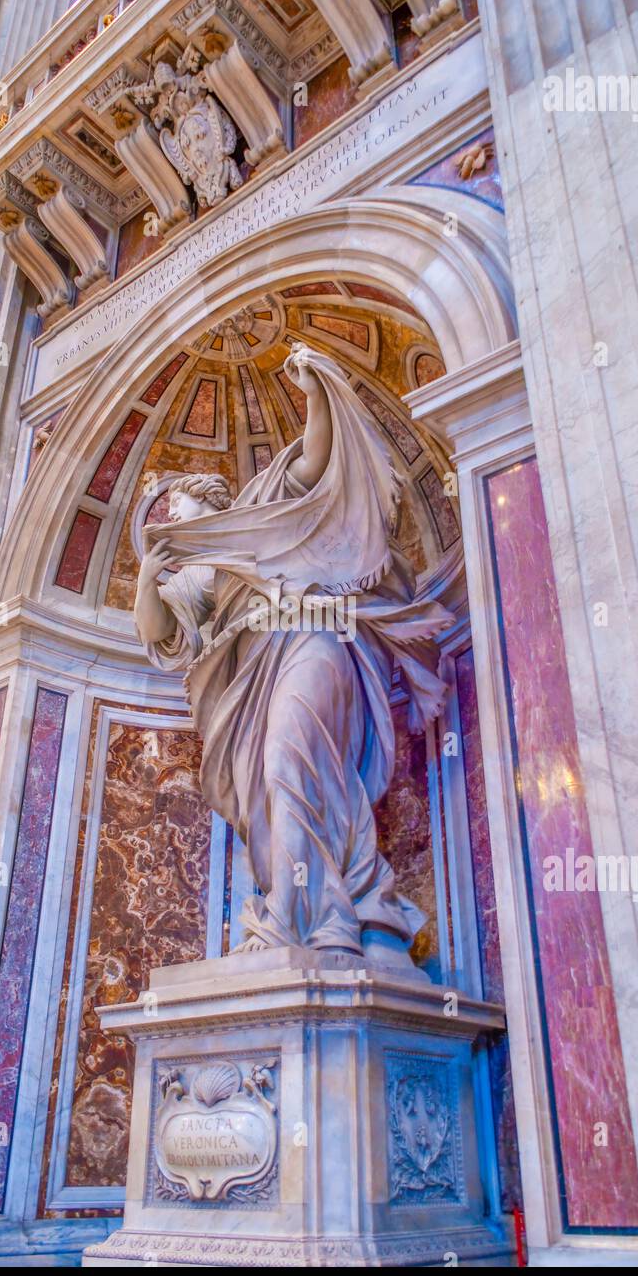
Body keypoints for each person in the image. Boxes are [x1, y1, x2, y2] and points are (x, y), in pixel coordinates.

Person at [134, 344, 453, 957]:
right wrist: (149, 578)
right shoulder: (197, 575)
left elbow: (315, 463)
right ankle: (311, 911)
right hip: (254, 681)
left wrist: (313, 391)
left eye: (177, 505)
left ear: (207, 499)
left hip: (312, 642)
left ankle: (311, 916)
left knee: (288, 760)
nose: (170, 515)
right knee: (276, 779)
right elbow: (158, 635)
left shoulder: (266, 507)